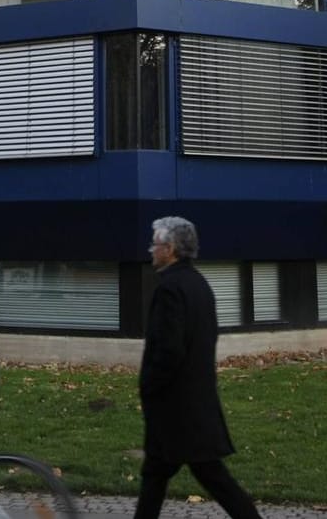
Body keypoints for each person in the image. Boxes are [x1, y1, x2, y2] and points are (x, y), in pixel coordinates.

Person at [133, 216, 263, 519]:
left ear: (170, 249)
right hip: (194, 402)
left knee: (209, 476)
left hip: (175, 408)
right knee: (161, 473)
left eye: (156, 243)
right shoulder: (199, 284)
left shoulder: (169, 289)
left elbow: (168, 349)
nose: (151, 249)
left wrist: (148, 385)